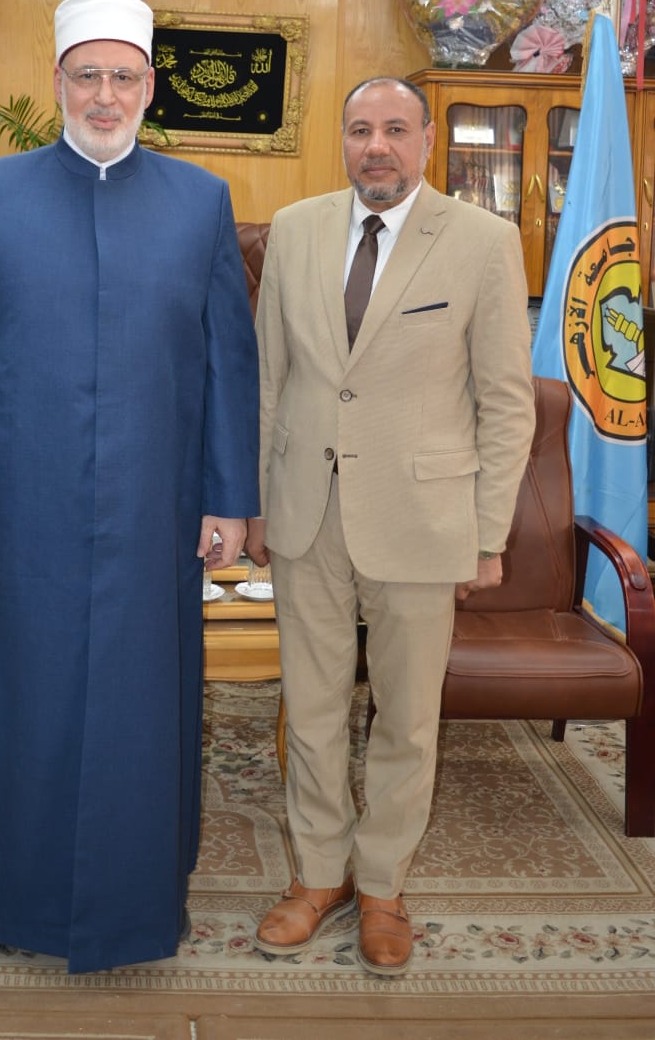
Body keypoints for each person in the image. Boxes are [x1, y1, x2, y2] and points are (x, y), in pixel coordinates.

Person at [0, 0, 260, 974]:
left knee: (141, 710)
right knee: (7, 697)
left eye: (123, 77)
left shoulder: (200, 202)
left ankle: (139, 904)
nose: (106, 94)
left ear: (150, 88)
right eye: (87, 75)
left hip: (152, 511)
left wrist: (230, 498)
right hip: (13, 508)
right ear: (57, 81)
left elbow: (228, 362)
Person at [248, 76, 535, 977]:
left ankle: (382, 888)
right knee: (312, 710)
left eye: (396, 129)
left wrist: (487, 536)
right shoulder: (293, 230)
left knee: (408, 720)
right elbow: (269, 378)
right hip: (305, 513)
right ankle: (318, 876)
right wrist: (256, 502)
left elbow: (505, 401)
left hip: (422, 517)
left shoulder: (484, 241)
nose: (377, 146)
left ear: (427, 140)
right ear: (343, 138)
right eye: (361, 129)